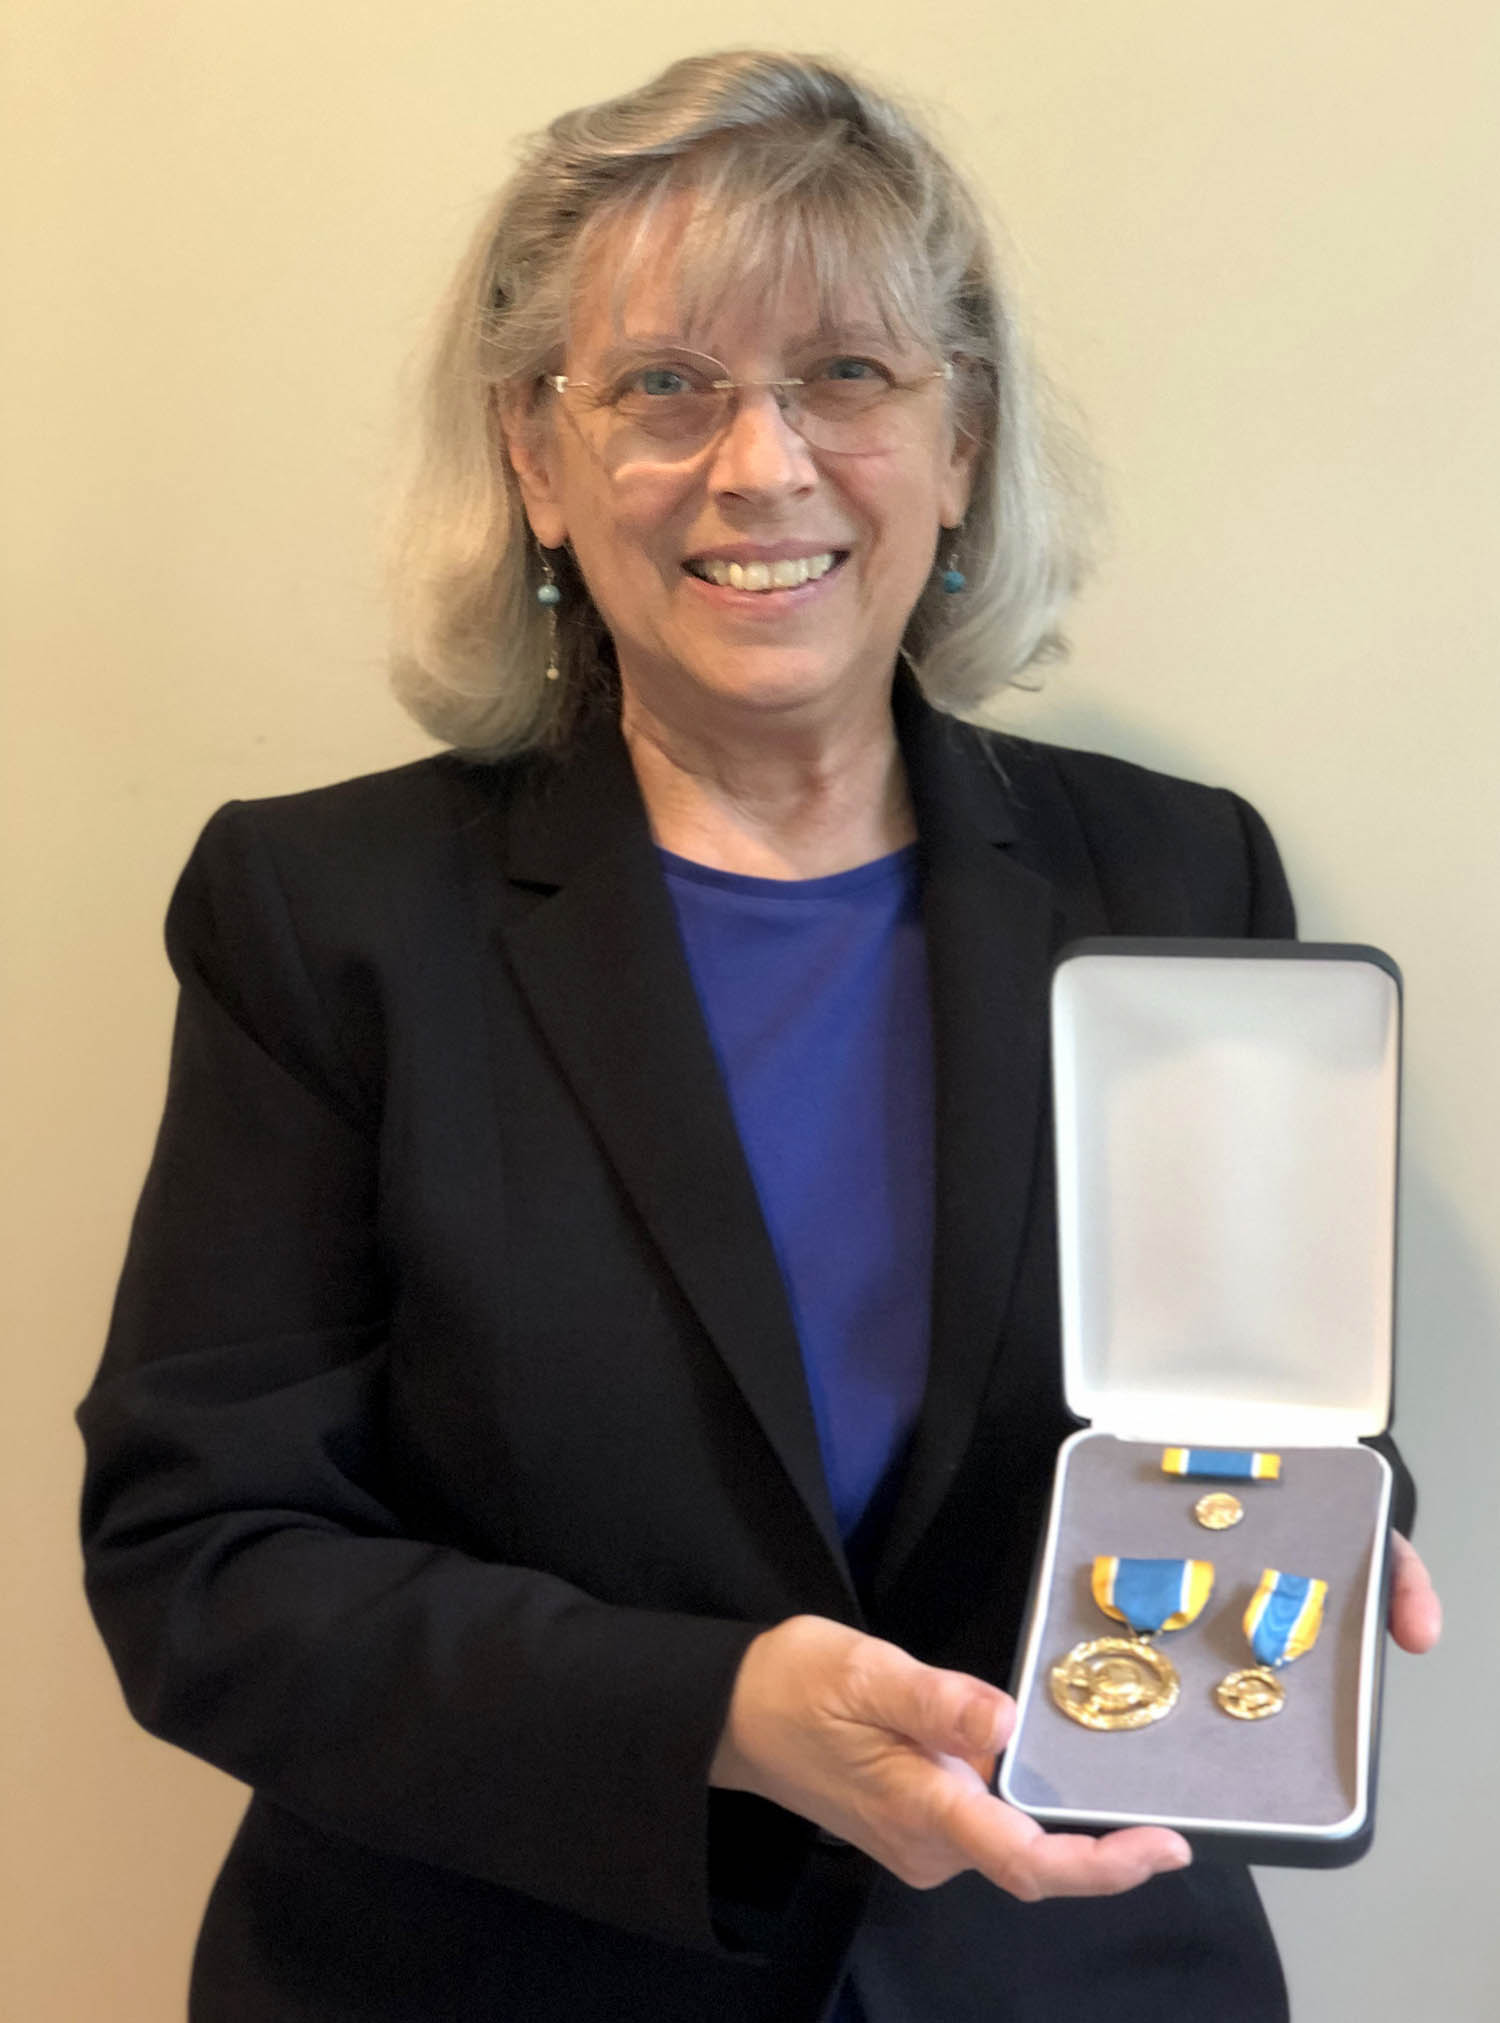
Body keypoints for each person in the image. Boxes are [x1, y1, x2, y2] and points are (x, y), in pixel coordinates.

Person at [78, 48, 1440, 2023]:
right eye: (663, 387)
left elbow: (1228, 1400)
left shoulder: (1173, 872)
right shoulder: (327, 917)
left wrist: (1322, 1509)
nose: (762, 464)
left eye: (848, 378)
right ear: (537, 462)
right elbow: (203, 1565)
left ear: (958, 440)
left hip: (1059, 1973)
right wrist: (715, 1711)